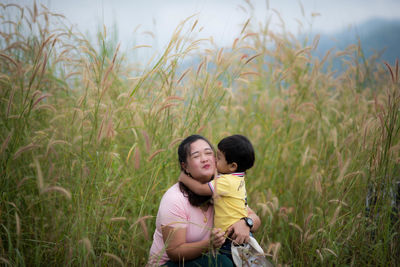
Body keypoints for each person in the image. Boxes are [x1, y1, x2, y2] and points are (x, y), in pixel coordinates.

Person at [148, 135, 260, 266]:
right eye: (196, 156)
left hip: (206, 258)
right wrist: (209, 244)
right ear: (185, 167)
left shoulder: (223, 187)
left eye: (209, 153)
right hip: (168, 264)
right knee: (223, 263)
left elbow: (254, 218)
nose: (204, 159)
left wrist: (246, 223)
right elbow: (174, 252)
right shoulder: (175, 198)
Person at [179, 134, 260, 261]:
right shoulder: (238, 179)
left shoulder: (226, 181)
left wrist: (184, 178)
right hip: (237, 237)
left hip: (231, 238)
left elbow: (201, 189)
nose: (214, 160)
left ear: (232, 166)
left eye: (219, 158)